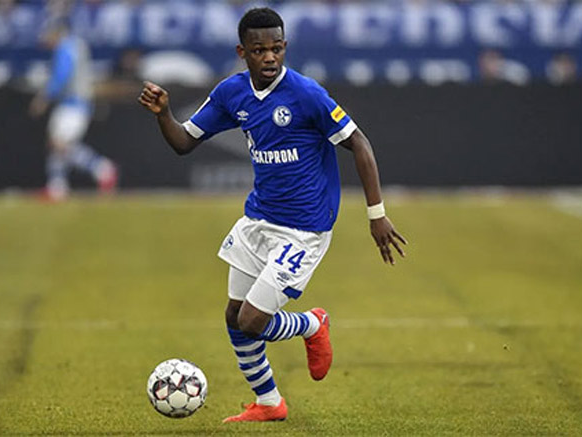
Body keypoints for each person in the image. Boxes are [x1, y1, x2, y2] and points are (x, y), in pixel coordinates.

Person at [137, 7, 407, 423]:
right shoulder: (232, 93)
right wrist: (164, 115)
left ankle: (312, 325)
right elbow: (184, 142)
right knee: (234, 316)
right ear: (242, 52)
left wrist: (377, 215)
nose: (269, 57)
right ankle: (269, 402)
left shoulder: (307, 95)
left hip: (304, 230)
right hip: (258, 220)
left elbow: (361, 145)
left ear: (285, 48)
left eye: (277, 49)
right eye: (259, 50)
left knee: (252, 320)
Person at [29, 17, 117, 201]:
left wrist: (44, 97)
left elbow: (62, 75)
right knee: (57, 144)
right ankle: (57, 187)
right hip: (76, 103)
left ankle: (102, 169)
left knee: (60, 144)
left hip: (73, 104)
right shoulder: (77, 45)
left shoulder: (66, 47)